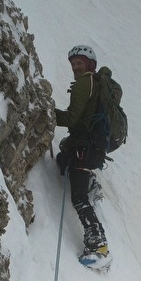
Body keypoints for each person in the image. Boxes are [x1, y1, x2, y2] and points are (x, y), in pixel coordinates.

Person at [54, 44, 109, 264]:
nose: (75, 67)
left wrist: (47, 111)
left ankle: (99, 246)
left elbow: (71, 119)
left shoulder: (84, 83)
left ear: (89, 65)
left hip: (83, 148)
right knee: (62, 159)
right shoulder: (96, 85)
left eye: (79, 63)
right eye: (73, 64)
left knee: (78, 198)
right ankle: (90, 183)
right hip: (92, 147)